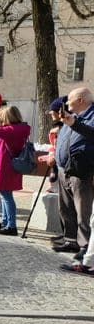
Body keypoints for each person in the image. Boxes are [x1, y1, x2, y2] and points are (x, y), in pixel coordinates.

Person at [58, 91, 94, 275]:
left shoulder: (90, 116)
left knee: (85, 213)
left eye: (70, 99)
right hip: (65, 169)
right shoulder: (75, 117)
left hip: (83, 172)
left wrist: (75, 124)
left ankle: (85, 247)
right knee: (67, 208)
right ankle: (72, 241)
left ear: (81, 100)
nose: (67, 101)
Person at [0, 106, 31, 235]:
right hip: (7, 167)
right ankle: (5, 222)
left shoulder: (11, 130)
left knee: (7, 197)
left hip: (6, 167)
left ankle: (11, 226)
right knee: (5, 196)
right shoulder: (18, 129)